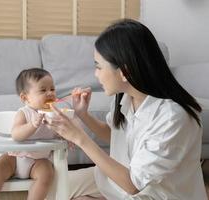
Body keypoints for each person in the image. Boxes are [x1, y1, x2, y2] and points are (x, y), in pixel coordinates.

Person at [47, 19, 208, 200]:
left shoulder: (173, 118)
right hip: (118, 183)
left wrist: (79, 138)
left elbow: (133, 185)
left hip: (151, 194)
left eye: (99, 67)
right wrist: (83, 115)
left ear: (124, 71)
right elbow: (116, 136)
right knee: (51, 188)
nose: (96, 74)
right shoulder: (126, 98)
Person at [0, 68, 58, 200]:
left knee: (47, 173)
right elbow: (16, 134)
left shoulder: (54, 115)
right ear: (25, 98)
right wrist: (32, 125)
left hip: (39, 161)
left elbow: (59, 133)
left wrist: (68, 138)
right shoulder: (24, 113)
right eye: (43, 90)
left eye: (52, 89)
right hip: (16, 158)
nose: (50, 93)